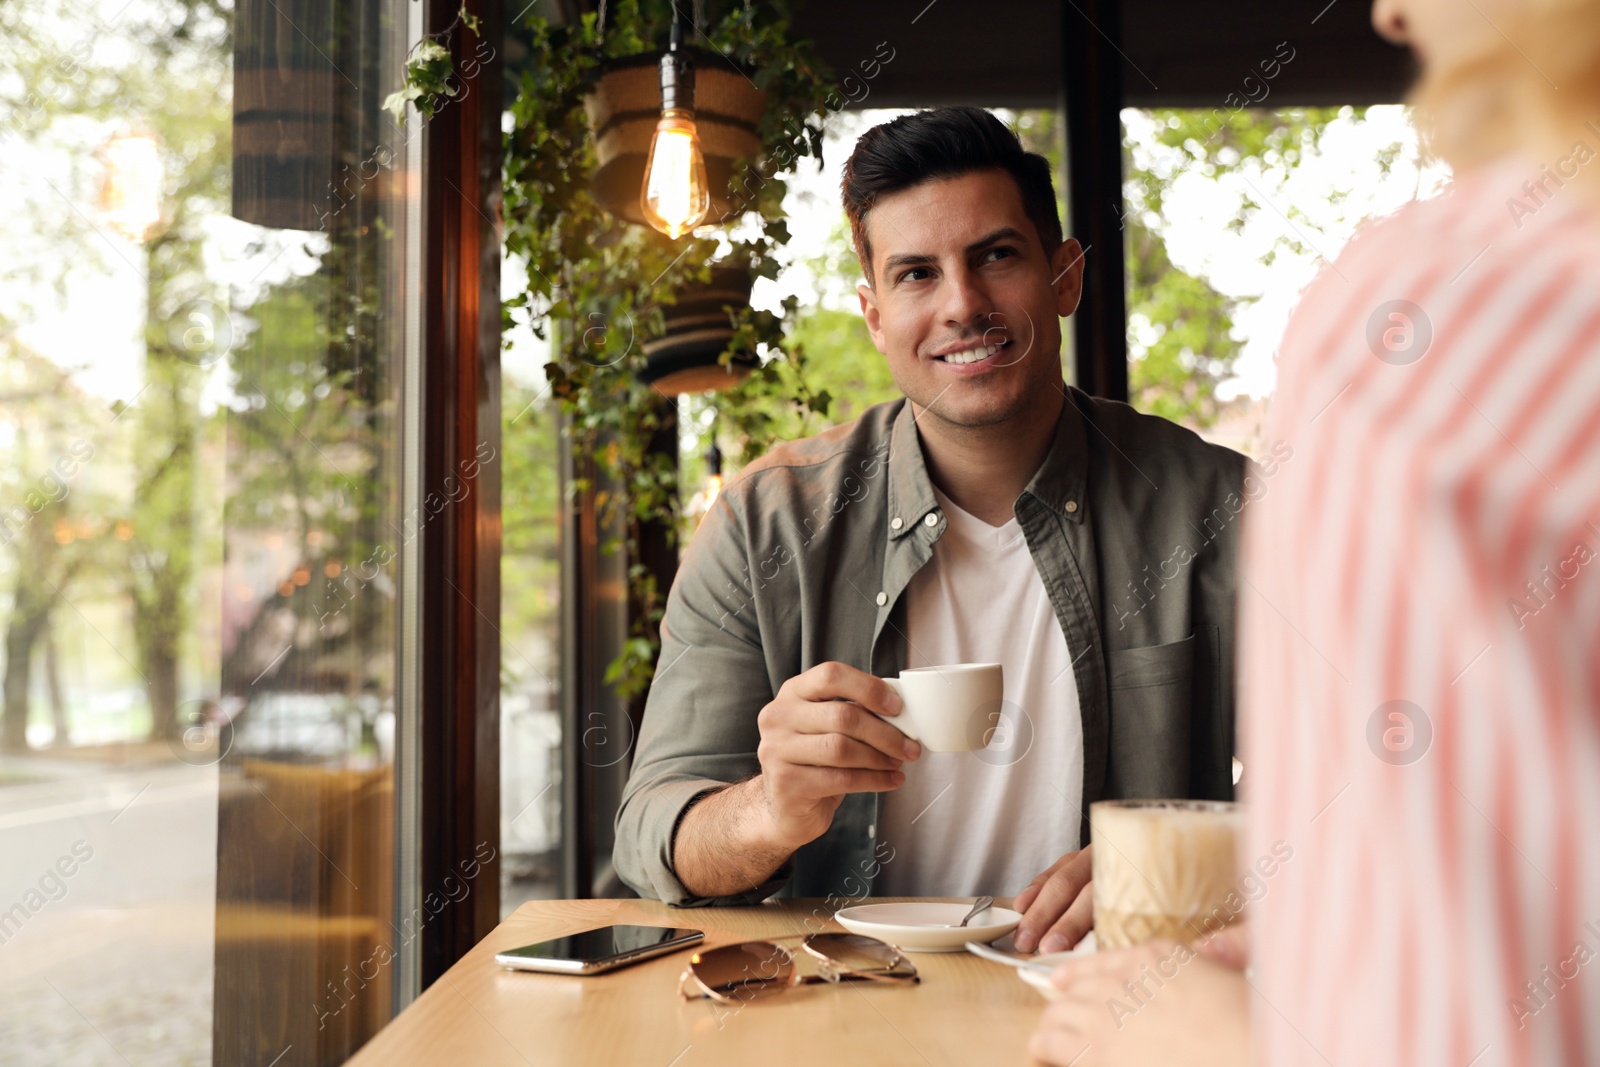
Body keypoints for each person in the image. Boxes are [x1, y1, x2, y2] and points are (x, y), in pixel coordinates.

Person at [1029, 0, 1600, 1063]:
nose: (1390, 12)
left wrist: (1211, 1038)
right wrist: (1322, 921)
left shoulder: (1432, 315)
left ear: (1064, 278)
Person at [613, 106, 1246, 956]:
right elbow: (654, 829)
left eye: (995, 256)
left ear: (1065, 278)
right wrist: (769, 808)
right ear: (875, 317)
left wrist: (1196, 868)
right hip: (844, 1011)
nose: (962, 305)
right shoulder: (768, 523)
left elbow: (1374, 776)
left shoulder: (1218, 507)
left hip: (1118, 1008)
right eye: (917, 274)